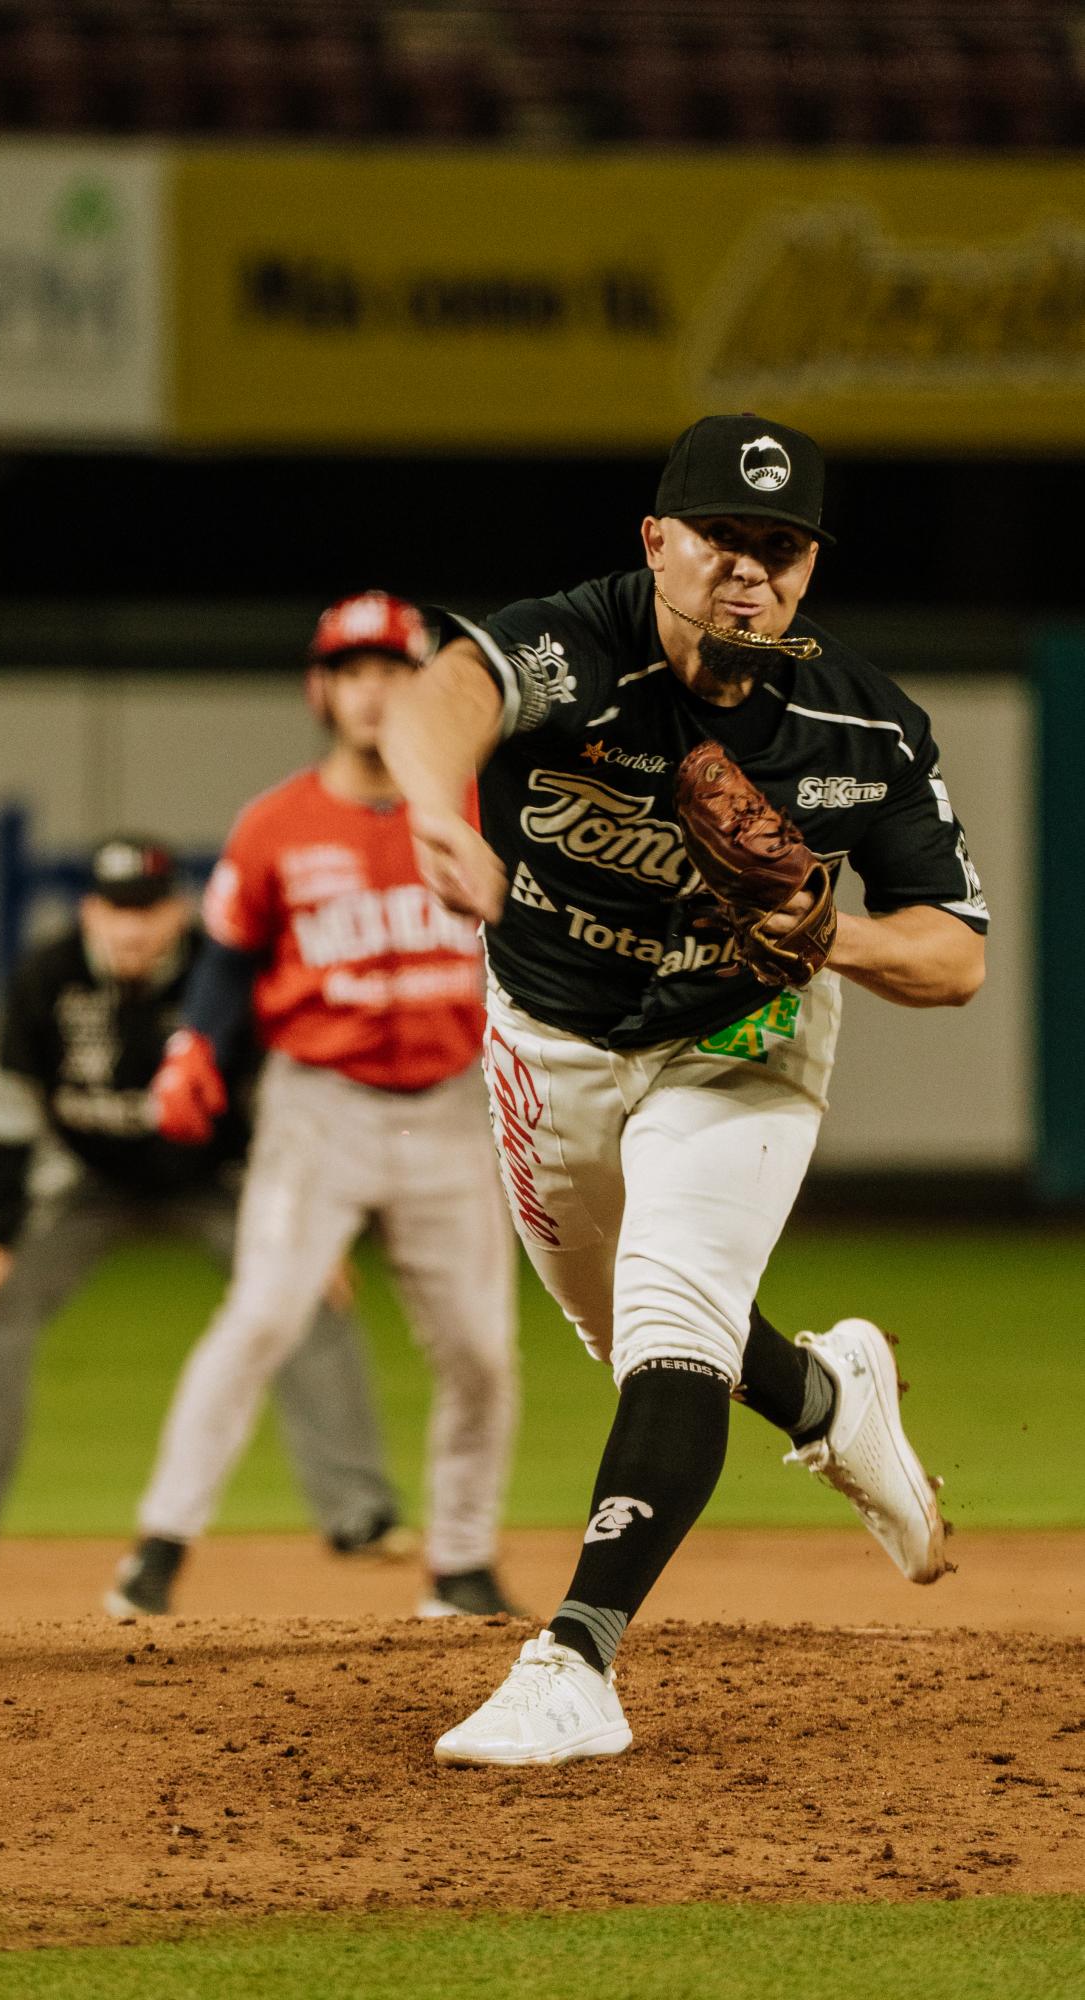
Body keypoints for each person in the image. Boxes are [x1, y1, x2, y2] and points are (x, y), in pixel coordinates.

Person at [379, 413, 988, 1767]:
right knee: (640, 1344)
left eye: (780, 549)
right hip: (550, 1042)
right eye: (722, 539)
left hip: (743, 1041)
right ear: (657, 541)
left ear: (809, 571)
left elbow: (954, 959)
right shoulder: (577, 643)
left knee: (674, 1325)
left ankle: (576, 1662)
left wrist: (837, 939)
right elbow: (444, 696)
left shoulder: (862, 725)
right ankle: (832, 1403)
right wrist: (431, 807)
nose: (748, 573)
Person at [107, 591, 518, 1621]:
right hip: (318, 1107)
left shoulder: (477, 809)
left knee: (479, 1349)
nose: (374, 691)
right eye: (355, 671)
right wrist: (195, 1047)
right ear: (321, 687)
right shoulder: (276, 824)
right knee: (261, 1317)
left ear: (428, 692)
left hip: (448, 1110)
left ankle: (460, 1562)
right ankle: (156, 1546)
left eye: (395, 672)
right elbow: (227, 958)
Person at [0, 834, 411, 1570]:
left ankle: (360, 1516)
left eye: (146, 910)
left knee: (311, 1297)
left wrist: (305, 1221)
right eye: (114, 909)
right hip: (87, 1178)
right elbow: (3, 1106)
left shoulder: (221, 973)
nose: (130, 927)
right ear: (88, 912)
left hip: (215, 1178)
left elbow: (282, 1104)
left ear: (177, 913)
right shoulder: (48, 975)